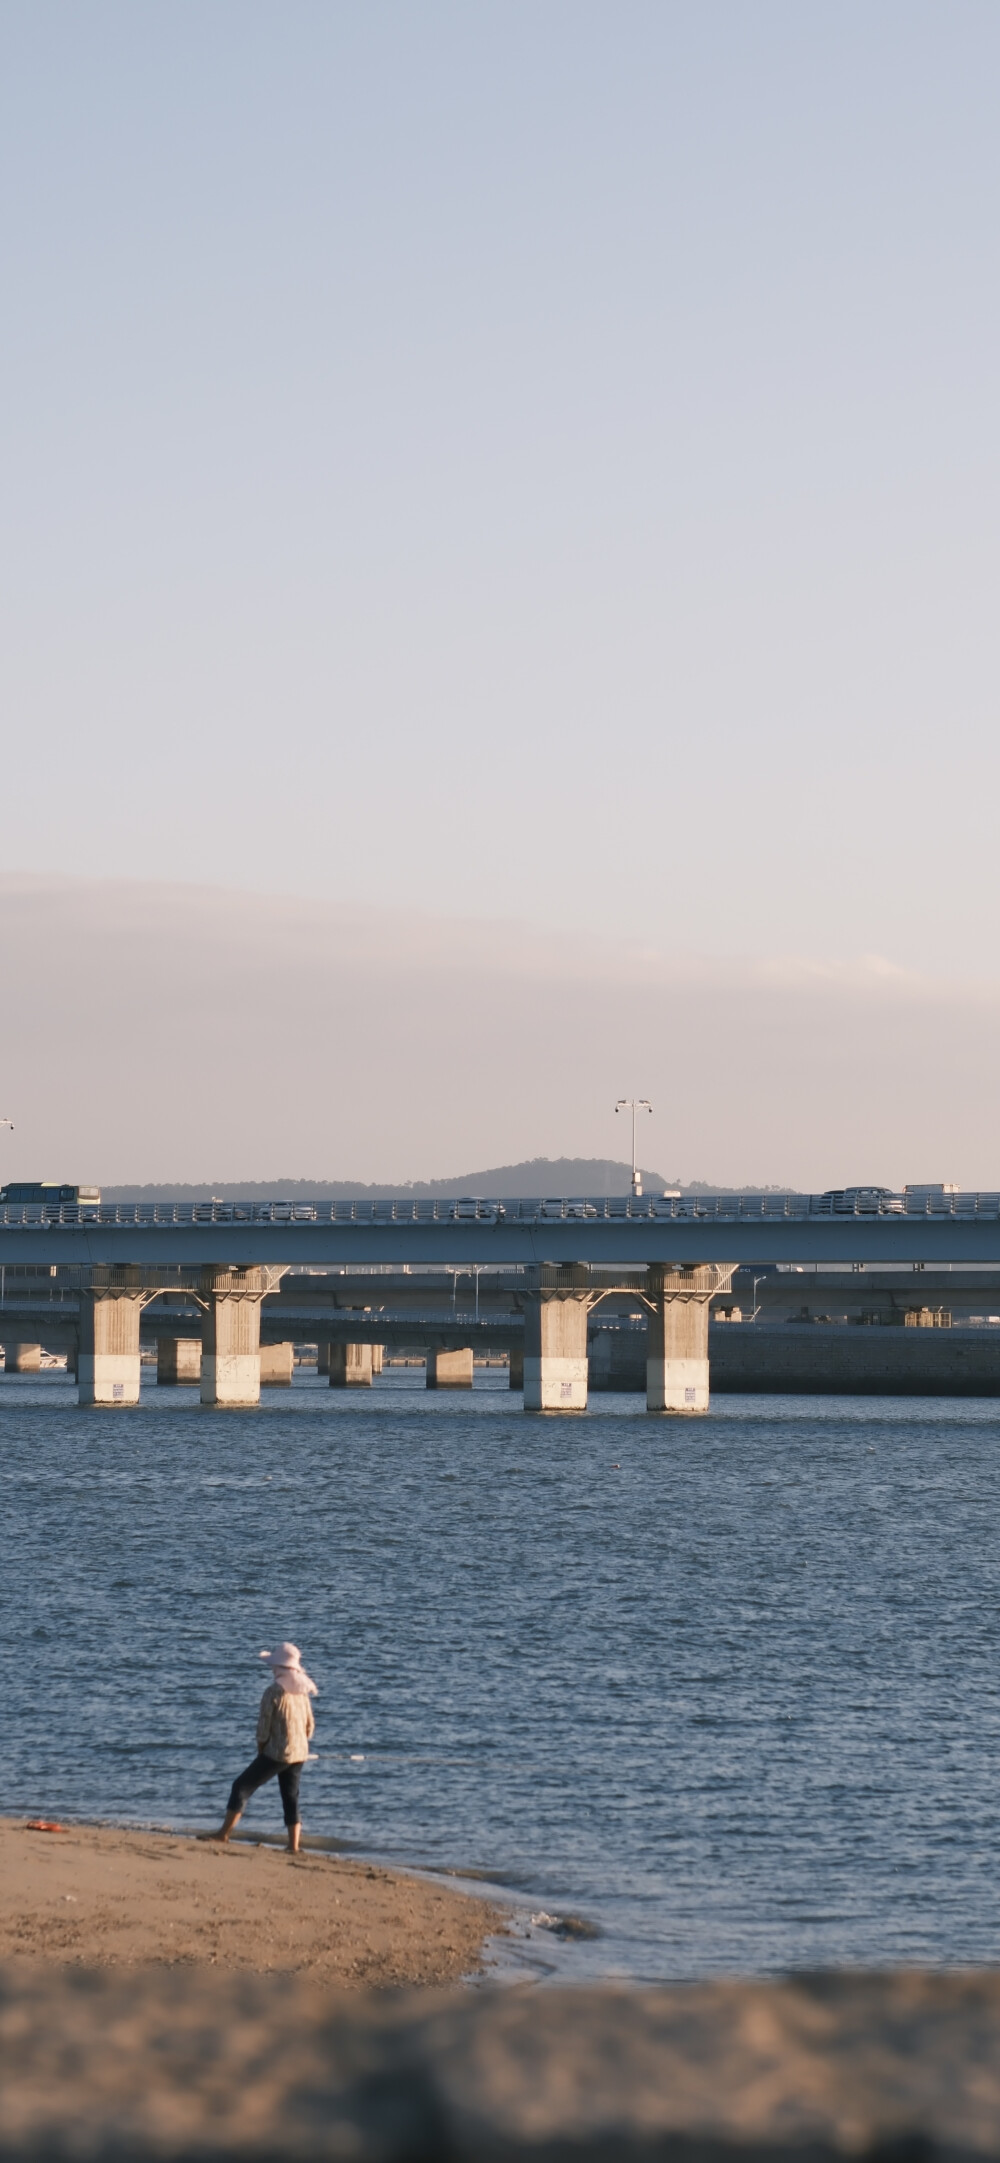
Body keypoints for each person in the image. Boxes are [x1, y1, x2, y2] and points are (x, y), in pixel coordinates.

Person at [202, 1641, 318, 1855]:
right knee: (291, 1797)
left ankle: (223, 1834)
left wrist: (261, 1748)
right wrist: (299, 1742)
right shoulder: (302, 1691)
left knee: (241, 1787)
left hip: (276, 1753)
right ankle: (293, 1846)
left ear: (279, 1668)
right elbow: (310, 1726)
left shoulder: (273, 1692)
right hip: (300, 1753)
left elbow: (263, 1728)